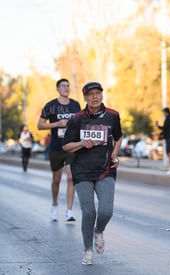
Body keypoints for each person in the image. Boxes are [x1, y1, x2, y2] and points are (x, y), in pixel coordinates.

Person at [62, 81, 123, 265]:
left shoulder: (113, 115)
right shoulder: (77, 118)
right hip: (81, 171)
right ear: (85, 97)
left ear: (102, 95)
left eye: (98, 93)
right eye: (91, 94)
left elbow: (118, 137)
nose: (95, 97)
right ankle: (88, 250)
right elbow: (66, 145)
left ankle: (99, 230)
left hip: (105, 170)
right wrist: (82, 143)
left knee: (106, 211)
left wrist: (114, 154)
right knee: (88, 213)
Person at [37, 78, 81, 222]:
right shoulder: (50, 106)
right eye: (63, 86)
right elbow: (40, 125)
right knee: (56, 179)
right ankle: (55, 204)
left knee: (71, 177)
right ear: (57, 89)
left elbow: (81, 123)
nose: (66, 88)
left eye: (68, 86)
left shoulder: (75, 105)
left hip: (71, 145)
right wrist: (58, 124)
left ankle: (69, 211)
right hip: (56, 147)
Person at [156, 107, 170, 175]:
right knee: (169, 153)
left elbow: (165, 128)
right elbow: (167, 129)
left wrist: (158, 127)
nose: (163, 114)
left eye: (164, 113)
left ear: (166, 112)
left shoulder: (168, 119)